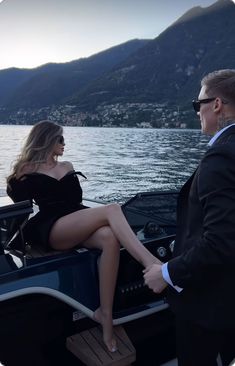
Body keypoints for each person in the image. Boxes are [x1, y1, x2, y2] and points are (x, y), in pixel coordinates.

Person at [6, 120, 159, 354]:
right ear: (48, 140)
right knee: (112, 208)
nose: (64, 144)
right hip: (53, 227)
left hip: (76, 218)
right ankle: (151, 263)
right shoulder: (27, 170)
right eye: (61, 139)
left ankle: (104, 314)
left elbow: (76, 199)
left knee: (109, 236)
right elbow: (19, 204)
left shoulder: (67, 165)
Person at [144, 69, 235, 366]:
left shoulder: (220, 157)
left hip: (210, 306)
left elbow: (221, 241)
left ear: (217, 104)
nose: (198, 112)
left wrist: (166, 273)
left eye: (198, 105)